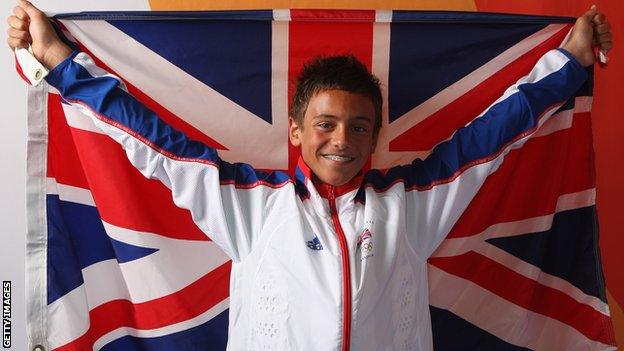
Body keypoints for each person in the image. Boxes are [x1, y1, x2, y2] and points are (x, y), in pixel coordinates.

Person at [6, 1, 613, 350]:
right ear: (295, 132)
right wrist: (59, 59)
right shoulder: (251, 206)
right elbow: (151, 142)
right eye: (325, 124)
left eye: (357, 126)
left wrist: (569, 62)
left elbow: (493, 136)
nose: (341, 140)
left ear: (377, 136)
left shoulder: (412, 203)